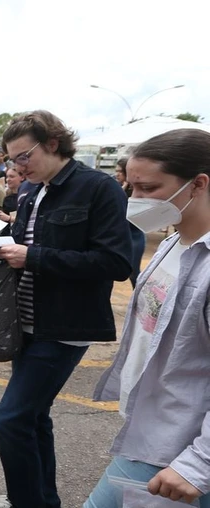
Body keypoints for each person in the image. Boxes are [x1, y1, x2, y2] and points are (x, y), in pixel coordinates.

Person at [0, 110, 131, 508]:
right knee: (34, 418)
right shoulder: (32, 191)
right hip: (27, 322)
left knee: (12, 419)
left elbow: (116, 263)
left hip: (65, 326)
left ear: (53, 145)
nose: (16, 167)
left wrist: (33, 256)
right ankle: (42, 499)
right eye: (11, 160)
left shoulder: (99, 189)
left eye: (23, 157)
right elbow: (21, 242)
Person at [86, 129, 210, 508]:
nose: (134, 200)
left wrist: (199, 463)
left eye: (148, 188)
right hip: (152, 424)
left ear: (198, 184)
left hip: (178, 444)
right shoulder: (174, 243)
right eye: (130, 187)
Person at [115, 157, 147, 288]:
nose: (117, 174)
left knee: (133, 272)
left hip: (134, 236)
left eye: (120, 172)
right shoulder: (115, 187)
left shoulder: (134, 192)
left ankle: (138, 294)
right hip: (121, 237)